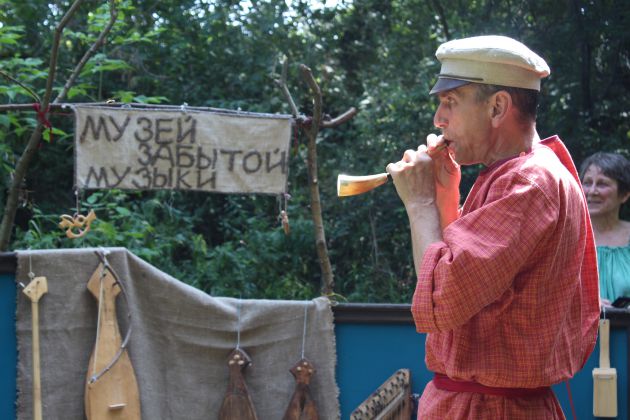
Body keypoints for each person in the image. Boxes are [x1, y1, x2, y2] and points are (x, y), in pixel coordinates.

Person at [386, 35, 600, 419]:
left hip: (490, 410)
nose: (438, 119)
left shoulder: (527, 183)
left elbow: (442, 298)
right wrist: (444, 196)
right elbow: (463, 279)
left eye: (450, 101)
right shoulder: (513, 174)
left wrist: (419, 203)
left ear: (497, 107)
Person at [580, 152, 630, 304]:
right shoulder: (565, 238)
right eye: (587, 183)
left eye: (602, 184)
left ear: (624, 195)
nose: (592, 191)